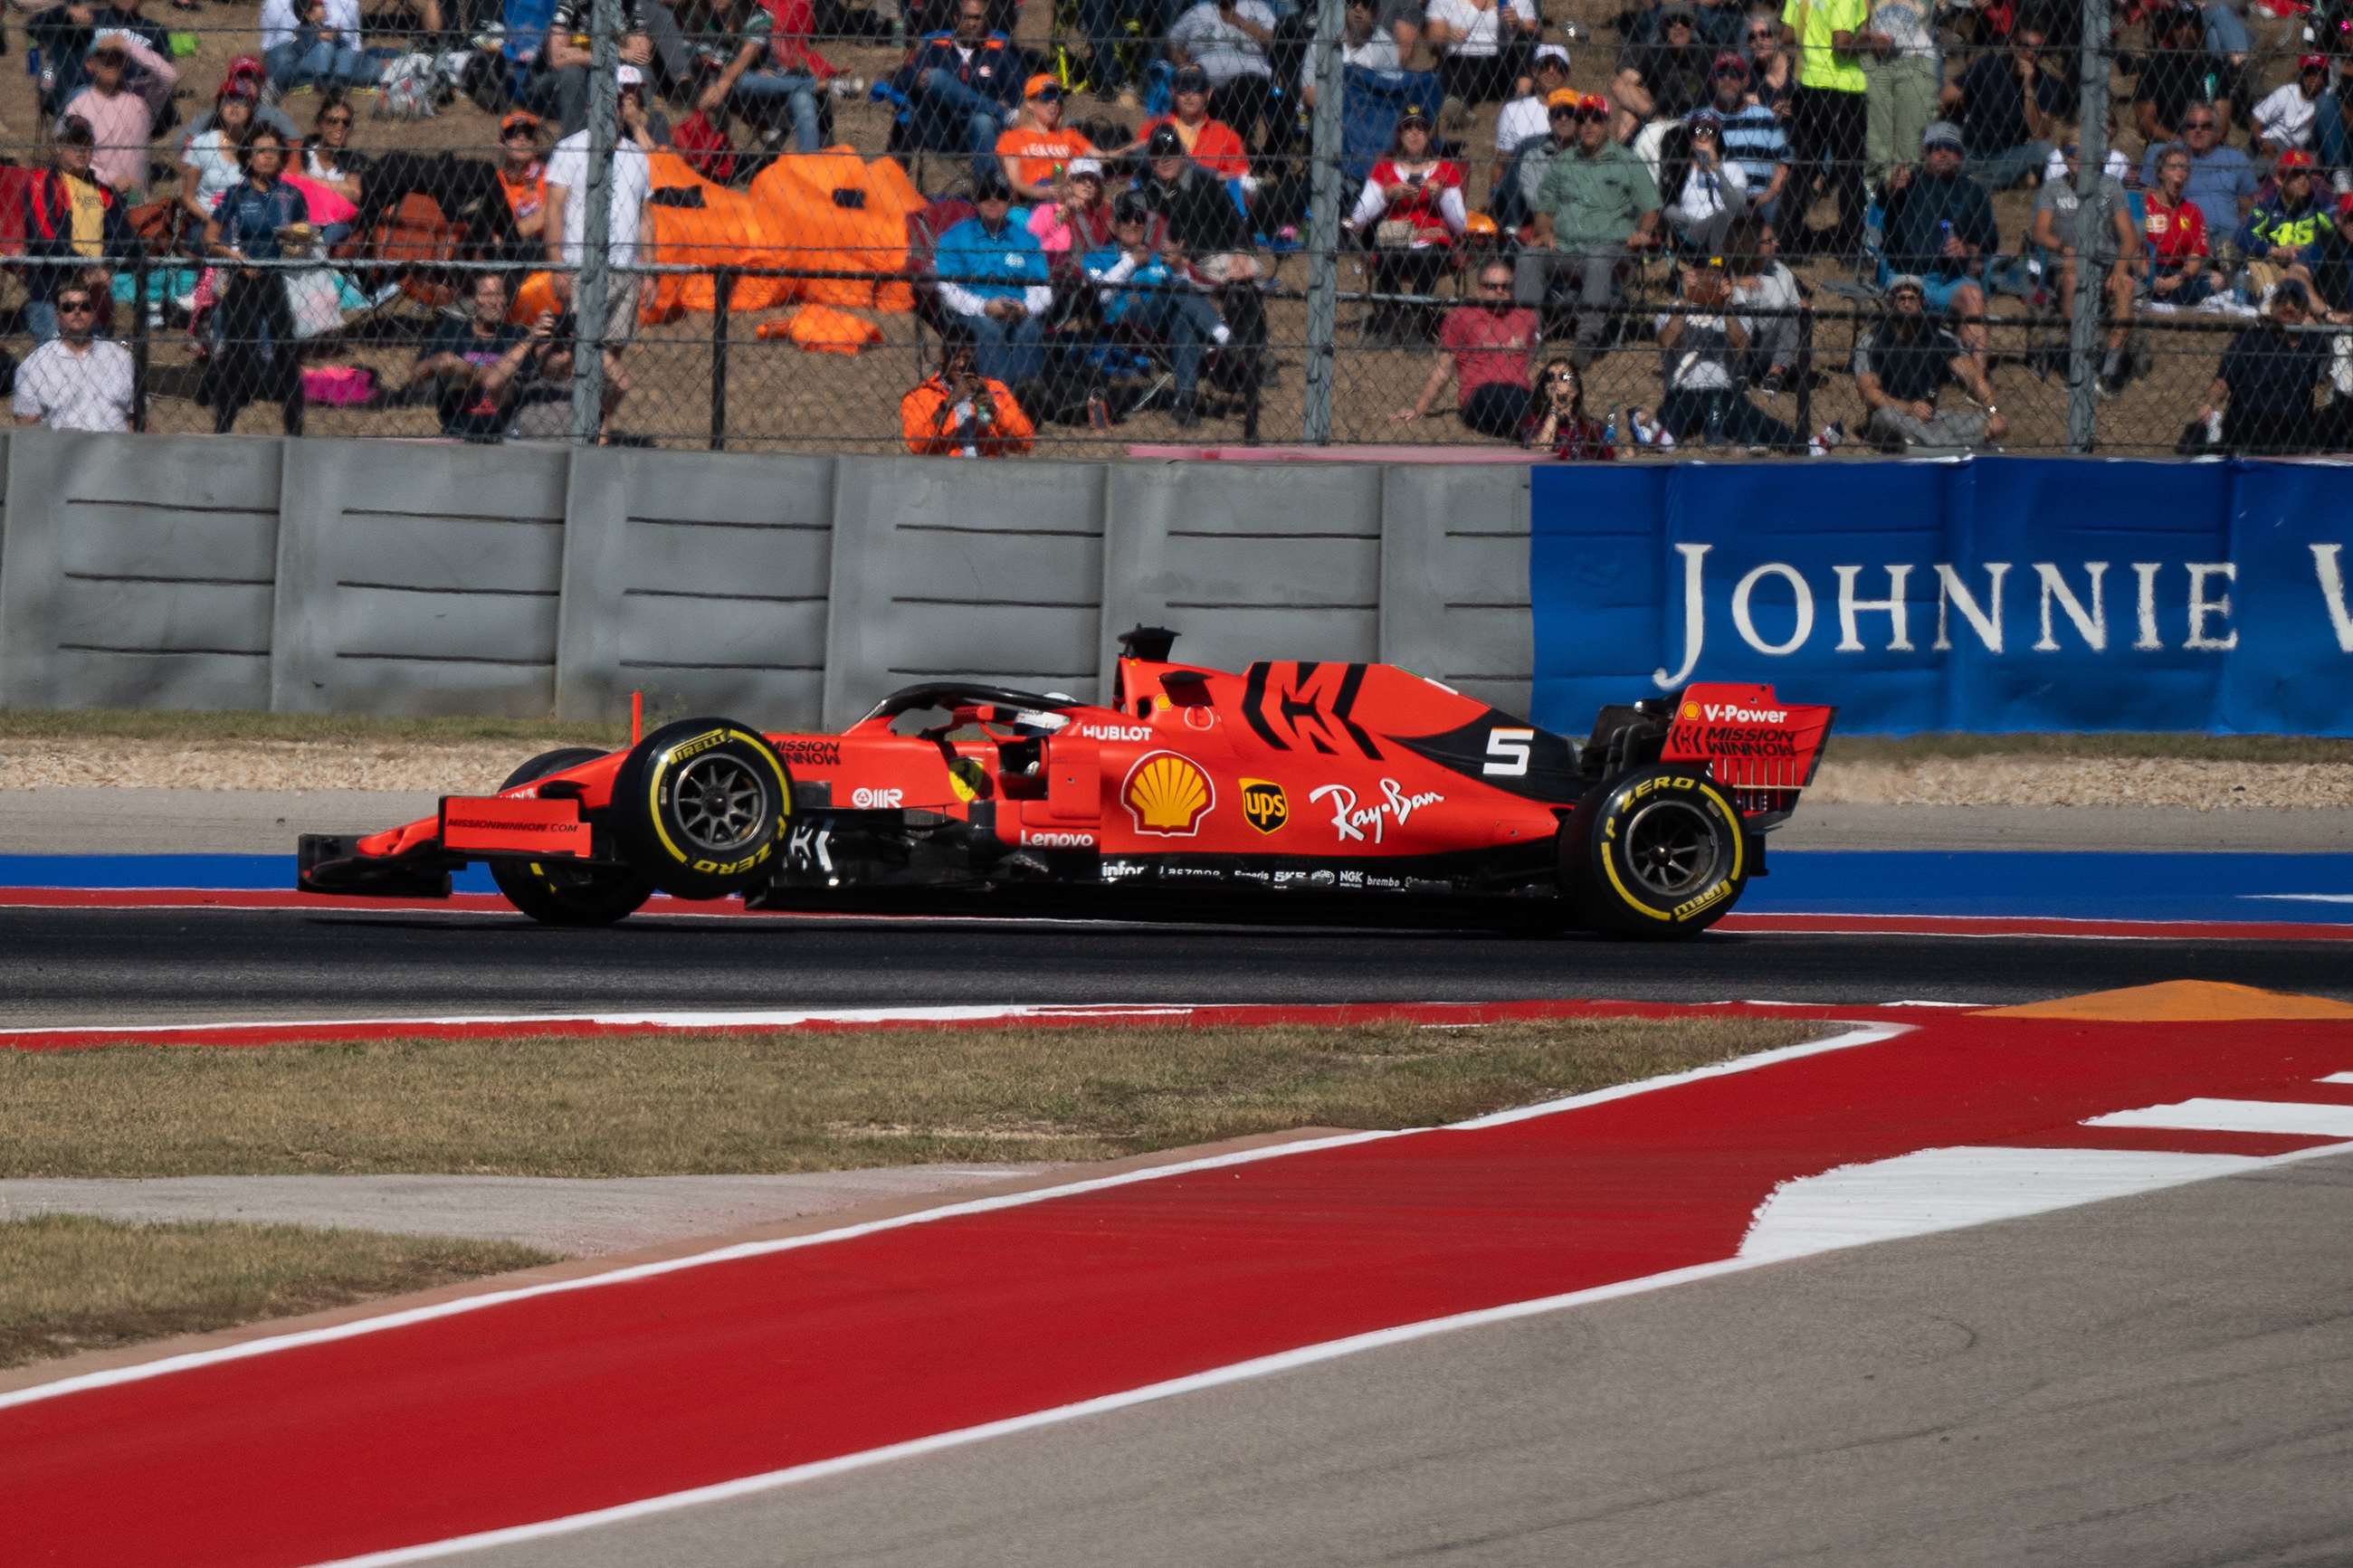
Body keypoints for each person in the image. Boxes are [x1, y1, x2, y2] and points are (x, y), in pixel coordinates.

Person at [542, 63, 656, 426]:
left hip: (626, 270)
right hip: (582, 268)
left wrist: (649, 272)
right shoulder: (570, 149)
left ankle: (597, 430)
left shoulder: (637, 157)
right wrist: (557, 264)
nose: (622, 107)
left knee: (612, 355)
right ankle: (564, 419)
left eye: (626, 101)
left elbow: (646, 219)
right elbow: (554, 211)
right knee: (577, 353)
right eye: (615, 100)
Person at [1521, 91, 1662, 366]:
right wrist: (1545, 231)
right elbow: (1544, 209)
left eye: (1596, 118)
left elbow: (1651, 207)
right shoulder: (1562, 162)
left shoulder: (1628, 161)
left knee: (1599, 258)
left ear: (1607, 123)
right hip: (1565, 248)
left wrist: (1643, 233)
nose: (1588, 124)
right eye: (1582, 118)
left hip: (1612, 250)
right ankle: (1530, 335)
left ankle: (1587, 339)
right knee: (1529, 257)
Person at [1085, 193, 1234, 426]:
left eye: (1140, 217)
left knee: (1183, 319)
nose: (1133, 223)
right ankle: (1223, 337)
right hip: (1125, 320)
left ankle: (1183, 403)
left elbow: (1189, 294)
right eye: (1126, 216)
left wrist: (1178, 268)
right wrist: (1130, 262)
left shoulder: (1158, 257)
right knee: (1175, 292)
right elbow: (1101, 297)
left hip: (1162, 325)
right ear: (1113, 224)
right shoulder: (1097, 257)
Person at [202, 127, 312, 435]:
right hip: (243, 283)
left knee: (287, 356)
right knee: (236, 355)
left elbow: (304, 238)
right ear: (248, 157)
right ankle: (223, 425)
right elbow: (210, 238)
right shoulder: (236, 195)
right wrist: (235, 257)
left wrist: (297, 244)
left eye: (273, 150)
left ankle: (295, 430)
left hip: (280, 283)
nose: (266, 156)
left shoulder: (292, 196)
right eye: (260, 150)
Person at [1881, 120, 1997, 368]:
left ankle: (1977, 377)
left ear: (1961, 155)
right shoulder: (1907, 184)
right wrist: (1892, 188)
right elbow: (1885, 205)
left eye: (1950, 147)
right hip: (1909, 275)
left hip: (1951, 280)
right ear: (1925, 152)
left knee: (1973, 296)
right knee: (1908, 299)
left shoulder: (1973, 192)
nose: (1943, 153)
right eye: (1936, 147)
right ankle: (1909, 373)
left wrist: (1966, 249)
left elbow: (1987, 243)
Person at [1653, 253, 1800, 448]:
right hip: (1682, 394)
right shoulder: (1673, 309)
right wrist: (1688, 300)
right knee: (1669, 420)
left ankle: (1800, 445)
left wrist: (1726, 306)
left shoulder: (1735, 312)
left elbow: (1741, 345)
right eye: (1704, 276)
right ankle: (1668, 436)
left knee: (1750, 416)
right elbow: (1667, 341)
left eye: (1716, 277)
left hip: (1722, 394)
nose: (1710, 283)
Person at [1348, 105, 1468, 337]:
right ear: (1399, 134)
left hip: (1432, 238)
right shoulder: (1385, 168)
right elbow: (1358, 219)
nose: (1414, 133)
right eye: (1408, 127)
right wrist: (1386, 196)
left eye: (1421, 128)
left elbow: (1460, 225)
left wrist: (1441, 196)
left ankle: (1418, 316)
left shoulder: (1445, 169)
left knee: (1428, 257)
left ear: (1429, 134)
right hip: (1396, 235)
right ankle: (1391, 315)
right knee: (1387, 255)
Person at [2031, 139, 2139, 394]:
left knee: (2125, 286)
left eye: (2086, 151)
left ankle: (2108, 370)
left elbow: (2129, 238)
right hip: (2067, 265)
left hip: (2106, 265)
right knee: (2072, 275)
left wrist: (2118, 271)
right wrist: (2063, 247)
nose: (2079, 157)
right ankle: (2079, 364)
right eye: (2072, 151)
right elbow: (2039, 232)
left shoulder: (2110, 187)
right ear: (2063, 155)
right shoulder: (2053, 188)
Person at [1853, 271, 2006, 450]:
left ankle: (1932, 447)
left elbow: (1974, 378)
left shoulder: (1941, 338)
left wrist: (1993, 412)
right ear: (1890, 303)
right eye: (1901, 298)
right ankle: (1957, 447)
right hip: (1893, 415)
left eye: (1912, 298)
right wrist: (1909, 408)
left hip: (1930, 420)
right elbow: (1869, 393)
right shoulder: (1871, 341)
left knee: (1988, 421)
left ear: (1922, 302)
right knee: (1887, 418)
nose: (1907, 304)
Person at [1395, 259, 1540, 436]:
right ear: (1479, 289)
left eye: (1506, 286)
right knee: (1503, 397)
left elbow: (1529, 368)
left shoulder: (1526, 316)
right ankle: (1530, 428)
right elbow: (1443, 370)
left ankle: (1535, 427)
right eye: (1492, 286)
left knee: (1558, 381)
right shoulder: (1461, 317)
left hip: (1520, 394)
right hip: (1480, 396)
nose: (1500, 291)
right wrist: (1419, 409)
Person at [933, 169, 1052, 387]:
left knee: (1030, 328)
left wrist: (1026, 308)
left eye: (1001, 195)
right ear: (975, 199)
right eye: (985, 194)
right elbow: (947, 288)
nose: (993, 200)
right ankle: (1000, 396)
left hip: (1018, 311)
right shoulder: (955, 237)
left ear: (1010, 200)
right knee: (989, 329)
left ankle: (1028, 395)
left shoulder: (1026, 239)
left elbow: (1043, 288)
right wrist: (984, 307)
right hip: (972, 313)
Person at [23, 119, 136, 347]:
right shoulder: (42, 182)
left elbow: (124, 238)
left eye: (87, 144)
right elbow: (45, 237)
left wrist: (105, 266)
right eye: (74, 143)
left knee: (96, 360)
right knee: (56, 361)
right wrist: (85, 267)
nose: (82, 151)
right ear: (57, 146)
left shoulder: (102, 191)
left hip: (94, 295)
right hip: (52, 293)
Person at [410, 271, 557, 439]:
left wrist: (544, 337)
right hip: (457, 432)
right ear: (474, 300)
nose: (494, 302)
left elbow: (499, 381)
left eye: (499, 295)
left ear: (506, 299)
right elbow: (415, 377)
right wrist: (435, 363)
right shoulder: (452, 331)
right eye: (487, 295)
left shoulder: (519, 336)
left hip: (505, 434)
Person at [894, 0, 1024, 184]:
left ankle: (988, 190)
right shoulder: (936, 49)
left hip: (981, 132)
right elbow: (902, 82)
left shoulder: (997, 53)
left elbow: (1021, 89)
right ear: (956, 18)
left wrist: (1016, 107)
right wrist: (916, 79)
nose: (972, 23)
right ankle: (999, 112)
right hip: (941, 128)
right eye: (967, 17)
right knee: (936, 77)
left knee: (983, 120)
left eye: (977, 18)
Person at [2195, 279, 2330, 451]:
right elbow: (2224, 380)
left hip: (2292, 431)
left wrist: (2314, 323)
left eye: (2296, 303)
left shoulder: (2315, 342)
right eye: (2282, 301)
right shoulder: (2252, 338)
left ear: (2305, 312)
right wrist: (2210, 404)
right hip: (2248, 424)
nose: (2288, 306)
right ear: (2272, 307)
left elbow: (2331, 375)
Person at [1781, 0, 1868, 258]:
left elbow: (1786, 36)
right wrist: (1873, 44)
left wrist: (1812, 49)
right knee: (1850, 170)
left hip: (1809, 85)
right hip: (1844, 89)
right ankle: (1850, 246)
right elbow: (1842, 43)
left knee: (1804, 168)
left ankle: (1786, 238)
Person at [1941, 19, 2066, 193]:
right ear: (2013, 44)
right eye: (2025, 46)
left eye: (2038, 49)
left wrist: (2028, 88)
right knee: (1940, 132)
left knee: (2045, 150)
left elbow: (2040, 135)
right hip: (1969, 148)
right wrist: (1956, 116)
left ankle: (1975, 182)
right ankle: (1981, 181)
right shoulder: (1988, 65)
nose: (2030, 53)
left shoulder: (2047, 84)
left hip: (2005, 155)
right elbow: (1944, 98)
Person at [699, 0, 837, 156]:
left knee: (802, 98)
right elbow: (708, 65)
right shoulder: (705, 22)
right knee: (742, 80)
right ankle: (818, 84)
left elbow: (747, 55)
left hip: (771, 89)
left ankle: (810, 162)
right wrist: (721, 81)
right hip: (740, 95)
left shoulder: (760, 16)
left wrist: (725, 80)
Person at [533, 0, 686, 134]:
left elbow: (641, 54)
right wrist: (619, 53)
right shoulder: (571, 3)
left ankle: (638, 138)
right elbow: (558, 57)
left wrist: (580, 53)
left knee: (641, 72)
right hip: (557, 86)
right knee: (571, 73)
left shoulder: (629, 4)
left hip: (610, 74)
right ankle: (574, 142)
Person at [60, 29, 179, 197]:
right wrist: (109, 179)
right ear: (90, 65)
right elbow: (71, 157)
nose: (110, 60)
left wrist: (127, 45)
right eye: (103, 55)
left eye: (117, 55)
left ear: (126, 62)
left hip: (137, 198)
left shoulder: (141, 96)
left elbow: (169, 76)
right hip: (98, 196)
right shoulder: (78, 106)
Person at [13, 283, 135, 432]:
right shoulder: (35, 364)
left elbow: (137, 418)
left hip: (115, 444)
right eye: (68, 307)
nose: (77, 311)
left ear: (93, 314)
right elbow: (26, 426)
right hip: (61, 445)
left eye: (85, 307)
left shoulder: (120, 358)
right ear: (57, 316)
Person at [1165, 0, 1282, 150]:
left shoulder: (1258, 8)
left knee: (1244, 86)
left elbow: (1276, 39)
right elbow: (1172, 41)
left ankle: (1238, 146)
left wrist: (1239, 21)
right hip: (1204, 79)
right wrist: (1185, 66)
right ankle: (1193, 145)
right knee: (1190, 87)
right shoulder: (1199, 11)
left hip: (1250, 77)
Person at [901, 330, 1036, 455]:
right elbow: (916, 446)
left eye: (967, 357)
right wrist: (947, 405)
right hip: (946, 470)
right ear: (942, 357)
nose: (961, 364)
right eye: (955, 357)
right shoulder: (920, 396)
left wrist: (995, 410)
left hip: (989, 468)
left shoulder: (994, 389)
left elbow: (1025, 443)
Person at [2138, 108, 2256, 241]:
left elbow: (2248, 205)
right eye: (2191, 126)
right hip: (2184, 233)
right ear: (2184, 130)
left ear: (2217, 131)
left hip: (2228, 234)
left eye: (2206, 126)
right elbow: (2148, 200)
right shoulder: (2166, 155)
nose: (2198, 130)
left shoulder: (2236, 159)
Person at [1858, 0, 1936, 195]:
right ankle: (1873, 189)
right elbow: (1859, 20)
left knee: (1912, 135)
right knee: (1876, 135)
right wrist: (1870, 37)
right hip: (1876, 58)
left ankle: (1907, 190)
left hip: (1917, 58)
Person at [2240, 150, 2337, 301]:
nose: (2303, 179)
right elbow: (2243, 236)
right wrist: (2276, 251)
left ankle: (2293, 300)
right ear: (2279, 179)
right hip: (2279, 266)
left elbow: (2335, 233)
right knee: (2253, 257)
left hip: (2311, 269)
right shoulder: (2268, 206)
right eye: (2296, 174)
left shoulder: (2320, 204)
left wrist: (2306, 250)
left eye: (2306, 173)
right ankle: (2271, 296)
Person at [1613, 4, 1713, 142]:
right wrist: (1654, 115)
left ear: (1692, 27)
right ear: (1663, 27)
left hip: (1697, 124)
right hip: (1659, 123)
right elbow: (1620, 86)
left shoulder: (1705, 55)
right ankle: (1623, 152)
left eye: (1685, 21)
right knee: (1629, 111)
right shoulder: (1652, 52)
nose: (1678, 26)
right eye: (1672, 21)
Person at [2134, 2, 2231, 145]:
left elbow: (2222, 125)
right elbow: (2146, 124)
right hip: (2166, 146)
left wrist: (2200, 145)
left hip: (2208, 146)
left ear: (2200, 30)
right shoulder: (2155, 66)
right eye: (2178, 26)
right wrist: (2182, 143)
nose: (2184, 32)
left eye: (2191, 25)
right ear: (2170, 30)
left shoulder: (2215, 68)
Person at [2144, 144, 2227, 309]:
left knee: (2217, 280)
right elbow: (2135, 250)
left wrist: (2176, 280)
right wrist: (2152, 278)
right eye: (2173, 167)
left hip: (2179, 273)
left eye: (2184, 169)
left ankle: (2167, 297)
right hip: (2148, 269)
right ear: (2160, 173)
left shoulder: (2192, 211)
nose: (2180, 174)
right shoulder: (2145, 205)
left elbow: (2195, 258)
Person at [1710, 53, 1789, 224]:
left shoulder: (1765, 117)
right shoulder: (1703, 120)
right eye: (1721, 74)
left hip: (1762, 200)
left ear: (1746, 81)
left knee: (1779, 210)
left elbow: (1784, 164)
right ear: (1713, 81)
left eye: (1734, 75)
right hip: (1716, 201)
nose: (1728, 80)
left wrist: (1768, 195)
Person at [180, 80, 262, 242]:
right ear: (219, 107)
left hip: (248, 223)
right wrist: (214, 223)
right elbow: (188, 198)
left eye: (242, 101)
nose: (234, 106)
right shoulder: (202, 143)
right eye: (228, 100)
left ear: (251, 109)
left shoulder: (257, 145)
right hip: (207, 221)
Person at [1425, 0, 1538, 118]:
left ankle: (1521, 98)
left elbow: (1533, 32)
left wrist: (1518, 23)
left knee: (1527, 38)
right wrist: (1447, 34)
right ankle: (1459, 110)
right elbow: (1433, 38)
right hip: (1462, 61)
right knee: (1461, 66)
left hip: (1502, 65)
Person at [1724, 214, 1802, 387]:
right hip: (1733, 347)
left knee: (1792, 313)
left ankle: (1774, 375)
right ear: (1751, 244)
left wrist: (1803, 308)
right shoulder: (1727, 268)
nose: (1777, 244)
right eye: (1769, 241)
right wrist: (1735, 283)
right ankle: (1739, 372)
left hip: (1766, 346)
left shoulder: (1782, 272)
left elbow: (1797, 309)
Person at [1659, 109, 1749, 253]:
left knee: (1721, 217)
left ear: (1718, 139)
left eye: (1710, 132)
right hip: (1690, 231)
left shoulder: (1732, 169)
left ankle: (1715, 263)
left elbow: (1738, 206)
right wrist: (1697, 223)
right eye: (1698, 132)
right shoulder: (1680, 171)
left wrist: (1717, 170)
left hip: (1727, 232)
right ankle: (1715, 262)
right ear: (1690, 141)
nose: (1703, 137)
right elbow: (1668, 209)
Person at [998, 75, 1097, 202]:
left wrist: (1123, 151)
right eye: (1047, 96)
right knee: (1044, 183)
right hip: (1030, 201)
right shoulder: (1011, 138)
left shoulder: (1069, 135)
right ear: (1030, 103)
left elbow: (1100, 157)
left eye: (1059, 97)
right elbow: (1015, 182)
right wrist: (1040, 192)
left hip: (1067, 199)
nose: (1054, 102)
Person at [257, 0, 379, 95]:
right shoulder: (302, 29)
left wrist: (336, 35)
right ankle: (325, 81)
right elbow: (301, 48)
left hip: (333, 66)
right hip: (308, 66)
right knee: (325, 48)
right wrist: (319, 37)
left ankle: (339, 80)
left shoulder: (328, 26)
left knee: (347, 54)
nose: (324, 8)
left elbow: (344, 45)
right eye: (319, 6)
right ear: (309, 14)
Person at [1524, 356, 1615, 457]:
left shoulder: (1593, 427)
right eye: (1550, 377)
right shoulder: (1534, 421)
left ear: (1575, 389)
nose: (1556, 382)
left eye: (1564, 377)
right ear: (1545, 387)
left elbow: (1609, 459)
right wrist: (1554, 409)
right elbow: (1541, 450)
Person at [1493, 42, 1570, 158]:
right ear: (1534, 71)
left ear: (1567, 73)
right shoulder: (1513, 110)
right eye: (1544, 65)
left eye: (1559, 66)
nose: (1551, 71)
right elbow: (1502, 162)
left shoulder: (1580, 109)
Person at [1030, 159, 1116, 254]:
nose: (1088, 184)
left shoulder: (1104, 210)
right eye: (1081, 178)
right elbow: (1032, 239)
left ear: (1098, 187)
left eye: (1094, 180)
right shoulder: (1046, 210)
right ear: (1069, 182)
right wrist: (1065, 209)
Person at [2253, 53, 2330, 157]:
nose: (2313, 77)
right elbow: (2257, 119)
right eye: (2308, 73)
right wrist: (2262, 142)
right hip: (2276, 140)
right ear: (2302, 75)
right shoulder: (2287, 92)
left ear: (2325, 77)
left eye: (2318, 73)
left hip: (2304, 148)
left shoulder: (2326, 100)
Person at [494, 113, 550, 252]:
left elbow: (550, 214)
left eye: (529, 134)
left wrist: (509, 235)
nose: (522, 138)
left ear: (536, 145)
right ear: (501, 144)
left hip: (542, 252)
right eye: (513, 133)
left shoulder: (550, 177)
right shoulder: (494, 181)